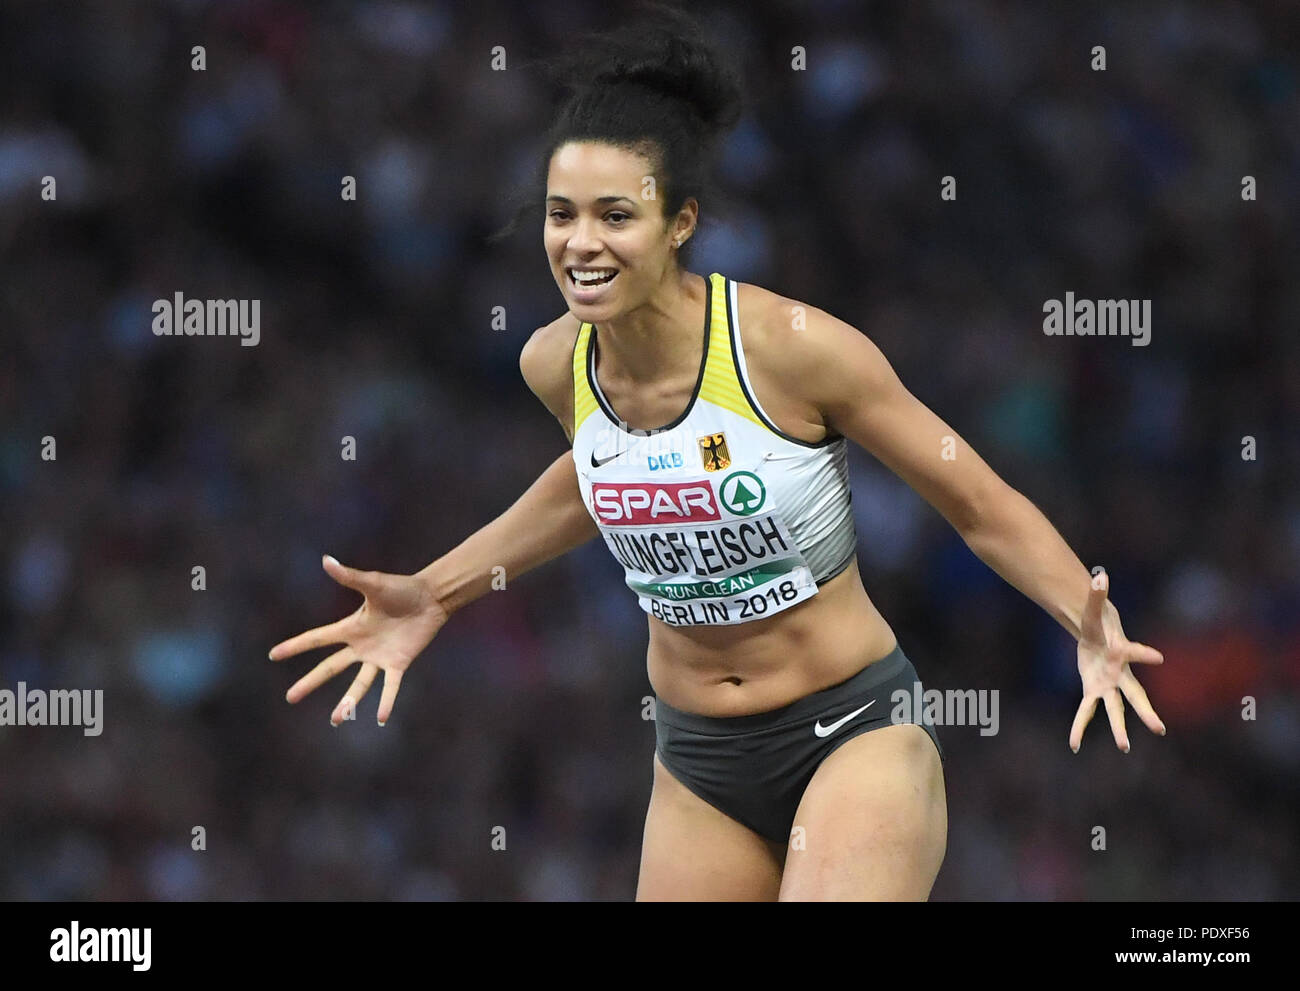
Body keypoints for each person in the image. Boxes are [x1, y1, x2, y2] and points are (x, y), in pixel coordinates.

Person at [268, 2, 1166, 901]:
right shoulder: (553, 363)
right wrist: (435, 590)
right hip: (699, 762)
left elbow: (981, 503)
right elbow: (606, 479)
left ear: (680, 223)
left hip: (854, 730)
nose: (581, 243)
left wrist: (1081, 620)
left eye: (616, 215)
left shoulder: (795, 348)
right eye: (561, 215)